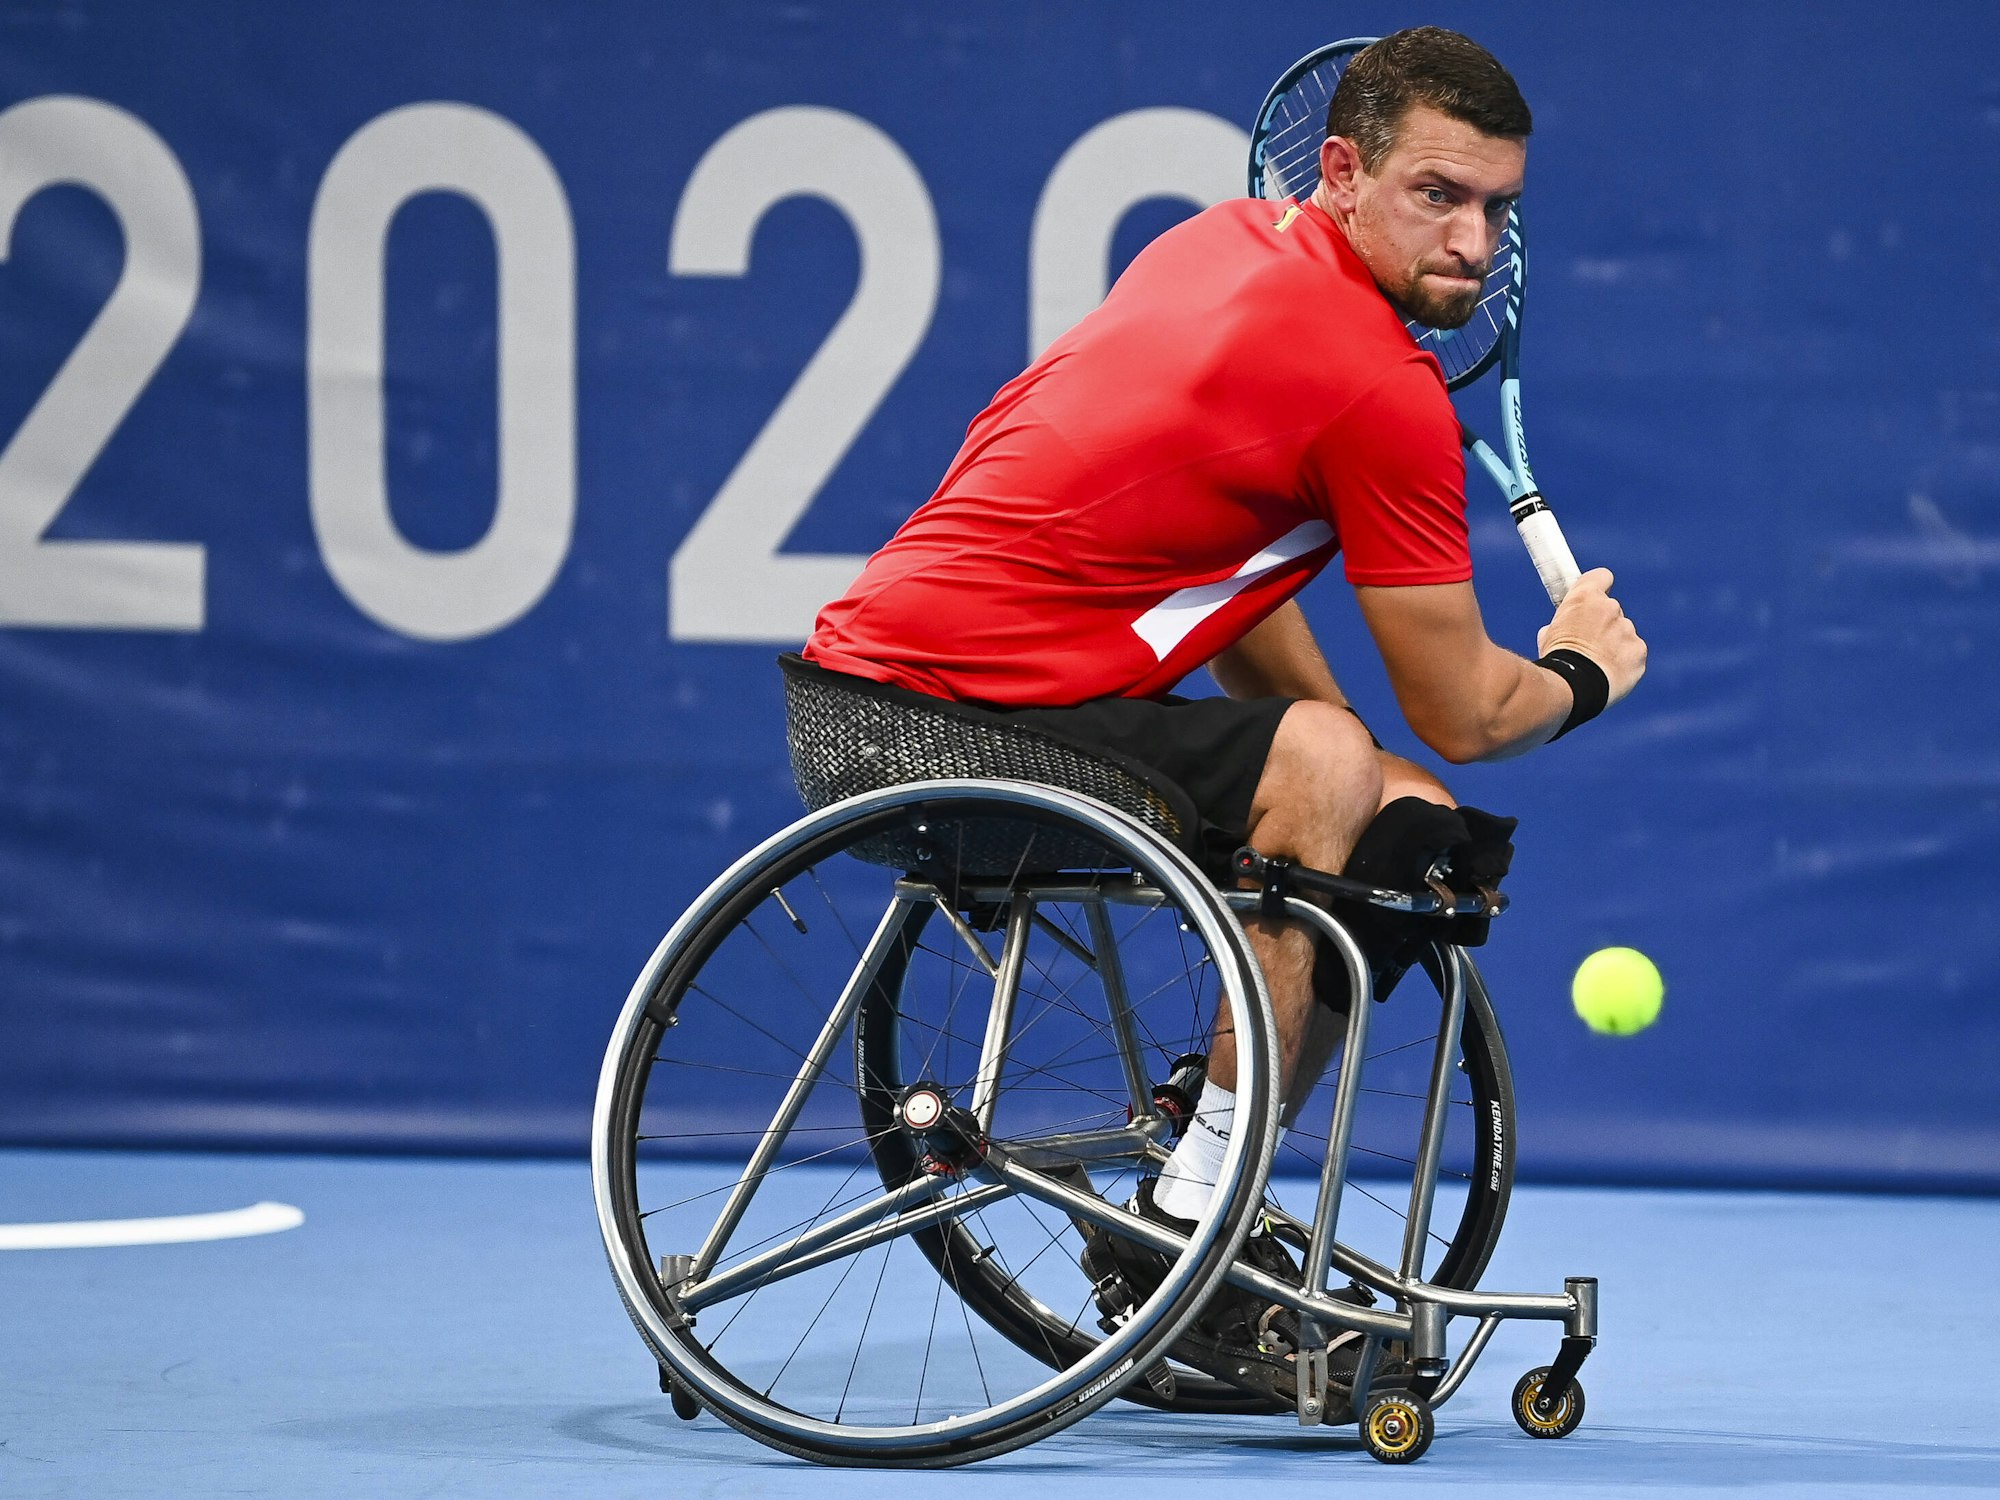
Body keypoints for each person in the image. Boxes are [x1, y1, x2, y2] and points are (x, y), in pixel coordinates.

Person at [800, 26, 1645, 1384]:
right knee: (1345, 761)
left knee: (1389, 805)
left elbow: (1230, 594)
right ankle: (1188, 1230)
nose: (1477, 244)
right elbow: (1473, 713)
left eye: (1499, 207)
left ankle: (1199, 1171)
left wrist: (1369, 770)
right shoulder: (1379, 390)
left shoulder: (1227, 243)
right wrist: (1588, 670)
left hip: (859, 707)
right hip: (941, 725)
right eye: (1439, 194)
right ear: (1342, 171)